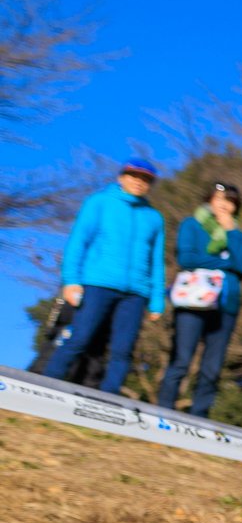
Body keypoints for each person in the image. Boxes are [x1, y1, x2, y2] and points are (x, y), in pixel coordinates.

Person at [44, 157, 166, 393]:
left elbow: (156, 260)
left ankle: (110, 400)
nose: (139, 182)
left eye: (145, 179)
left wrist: (157, 299)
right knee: (80, 338)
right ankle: (47, 387)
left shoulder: (154, 217)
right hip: (97, 283)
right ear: (121, 177)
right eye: (133, 176)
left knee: (123, 349)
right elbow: (78, 241)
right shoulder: (98, 202)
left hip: (136, 293)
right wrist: (71, 280)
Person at [156, 181, 242, 418]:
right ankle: (162, 411)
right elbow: (187, 259)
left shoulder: (239, 236)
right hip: (193, 301)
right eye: (220, 198)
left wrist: (230, 232)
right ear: (209, 200)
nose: (224, 205)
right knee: (181, 360)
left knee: (212, 367)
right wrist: (227, 263)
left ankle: (199, 416)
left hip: (226, 304)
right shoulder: (192, 224)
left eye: (230, 201)